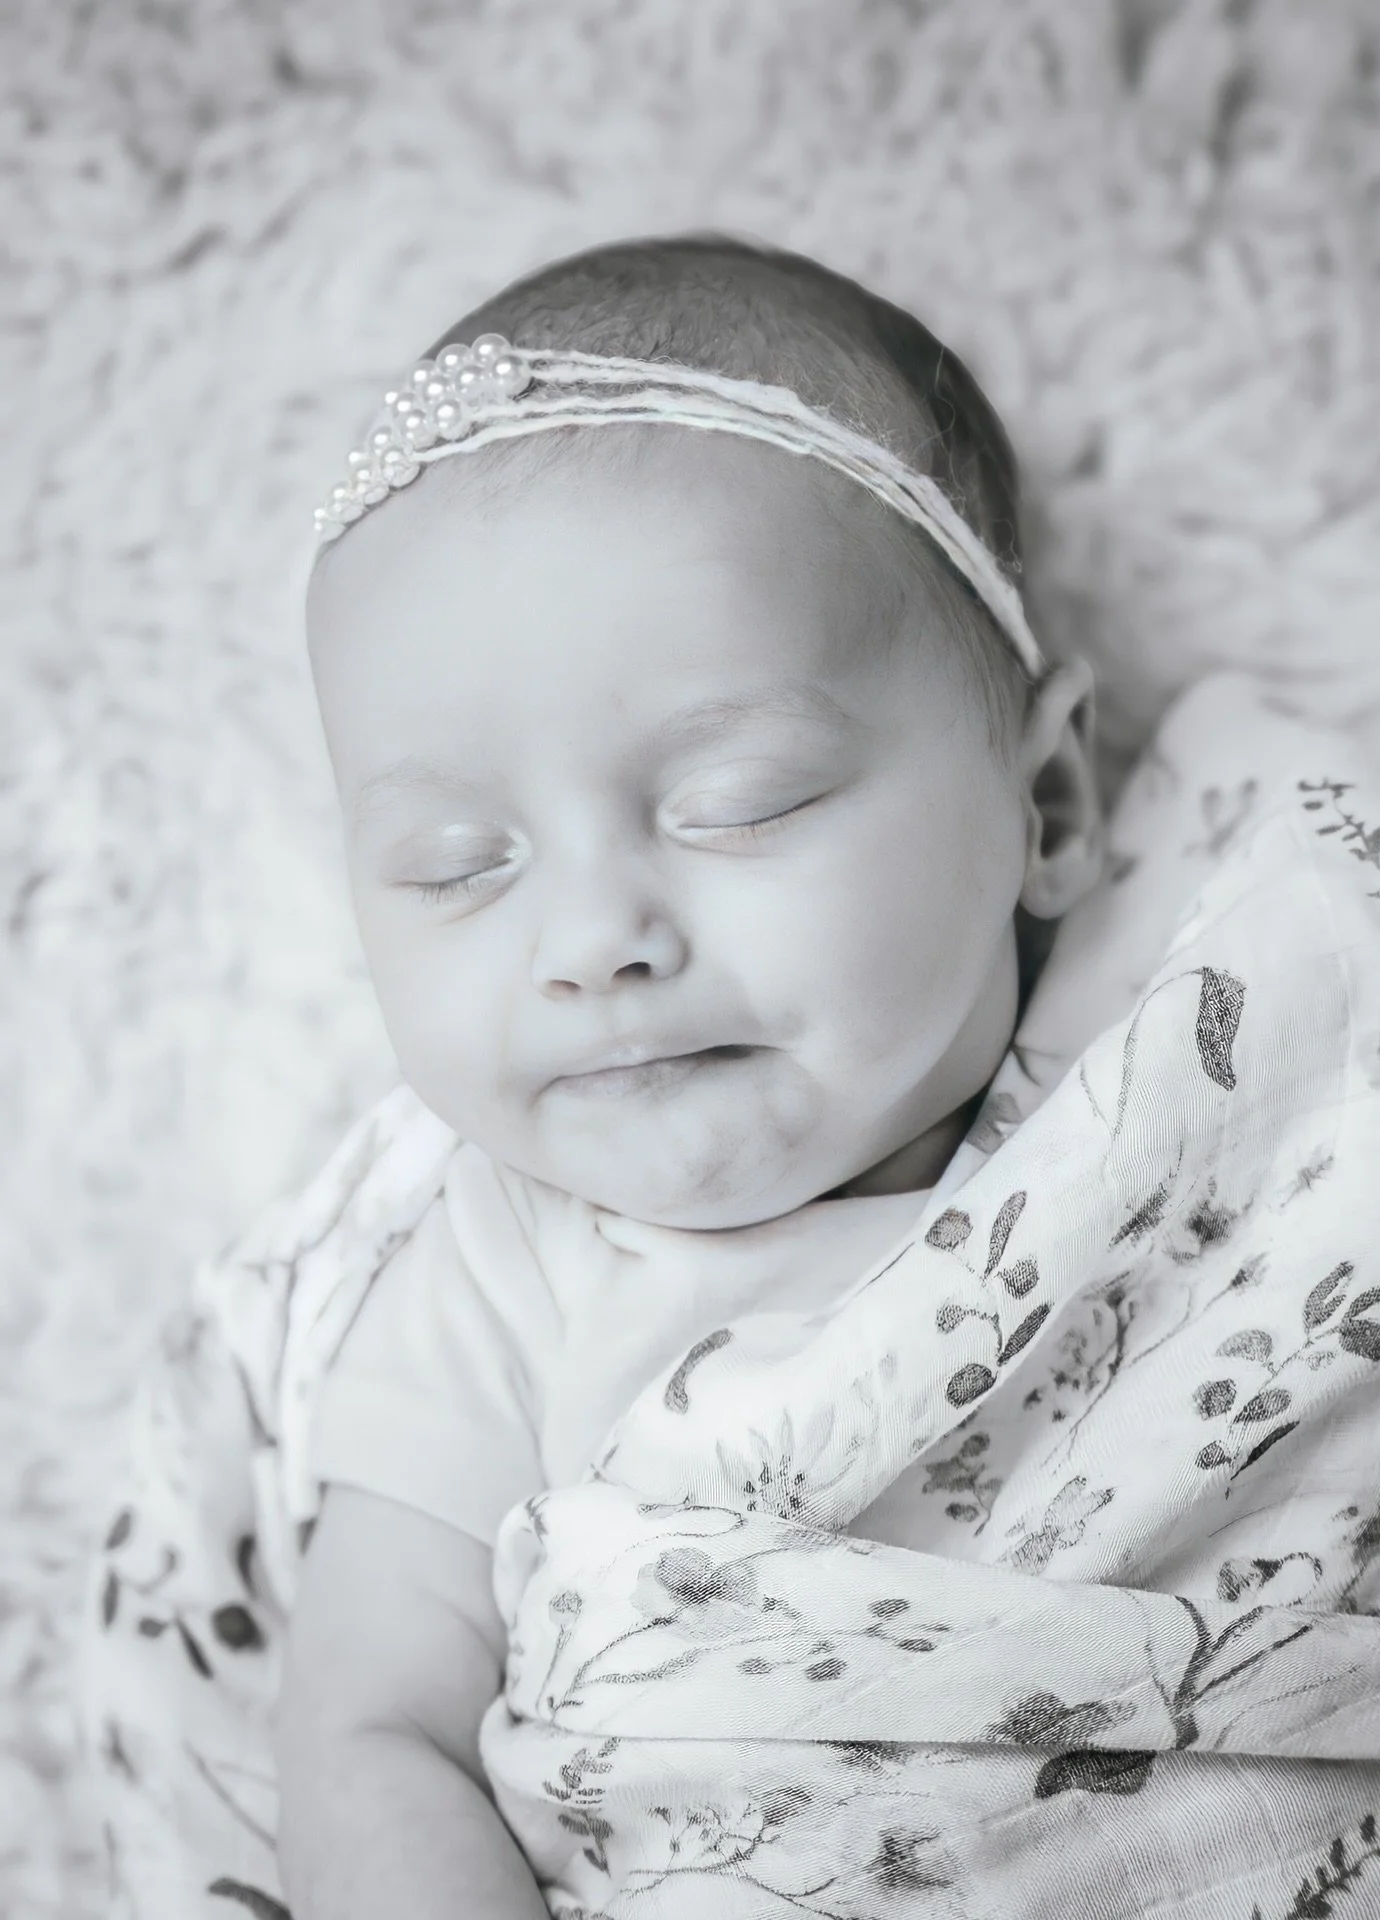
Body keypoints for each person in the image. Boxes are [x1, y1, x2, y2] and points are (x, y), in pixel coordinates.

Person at [277, 232, 1104, 1918]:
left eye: (738, 803)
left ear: (1053, 808)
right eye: (454, 863)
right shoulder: (498, 1270)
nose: (595, 939)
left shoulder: (1204, 1059)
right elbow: (369, 1734)